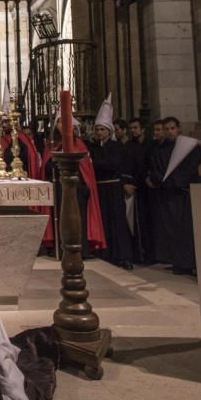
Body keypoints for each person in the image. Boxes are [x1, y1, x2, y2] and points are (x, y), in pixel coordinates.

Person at [37, 119, 107, 257]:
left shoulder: (78, 143)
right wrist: (52, 166)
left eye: (64, 122)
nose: (62, 125)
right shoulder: (51, 145)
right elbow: (46, 166)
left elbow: (84, 167)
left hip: (76, 187)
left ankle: (81, 249)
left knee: (78, 218)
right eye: (59, 122)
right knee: (60, 217)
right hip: (58, 188)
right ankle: (60, 248)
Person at [149, 117, 201, 276]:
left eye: (172, 128)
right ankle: (177, 261)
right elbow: (156, 168)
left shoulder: (191, 147)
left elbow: (194, 168)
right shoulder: (160, 149)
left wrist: (174, 181)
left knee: (185, 229)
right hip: (167, 194)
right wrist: (162, 180)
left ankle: (189, 262)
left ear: (179, 129)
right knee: (171, 229)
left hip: (183, 193)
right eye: (166, 129)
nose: (169, 131)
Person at [88, 95, 133, 270]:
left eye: (102, 129)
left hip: (113, 187)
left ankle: (123, 255)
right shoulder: (94, 147)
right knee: (104, 221)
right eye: (97, 129)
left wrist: (96, 164)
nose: (99, 132)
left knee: (118, 222)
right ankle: (105, 252)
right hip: (99, 189)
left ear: (109, 131)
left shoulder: (116, 148)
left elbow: (112, 164)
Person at [121, 117, 153, 264]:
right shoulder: (128, 147)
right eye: (131, 128)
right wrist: (126, 183)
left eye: (135, 127)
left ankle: (151, 254)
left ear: (143, 129)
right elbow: (125, 167)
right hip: (135, 187)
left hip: (150, 188)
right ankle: (139, 254)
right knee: (136, 222)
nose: (133, 130)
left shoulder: (150, 146)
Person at [0, 91, 40, 177]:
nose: (4, 125)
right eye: (3, 122)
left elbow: (31, 157)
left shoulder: (22, 138)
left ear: (13, 121)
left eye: (7, 122)